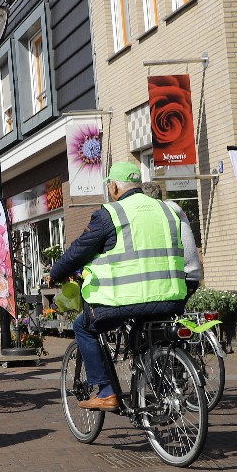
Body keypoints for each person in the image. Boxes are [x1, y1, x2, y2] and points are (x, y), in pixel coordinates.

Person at [48, 162, 200, 410]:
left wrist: (56, 273)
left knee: (83, 327)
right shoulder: (168, 210)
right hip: (170, 296)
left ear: (115, 187)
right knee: (142, 334)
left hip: (124, 299)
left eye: (110, 186)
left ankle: (107, 392)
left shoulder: (110, 214)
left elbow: (79, 250)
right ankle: (157, 387)